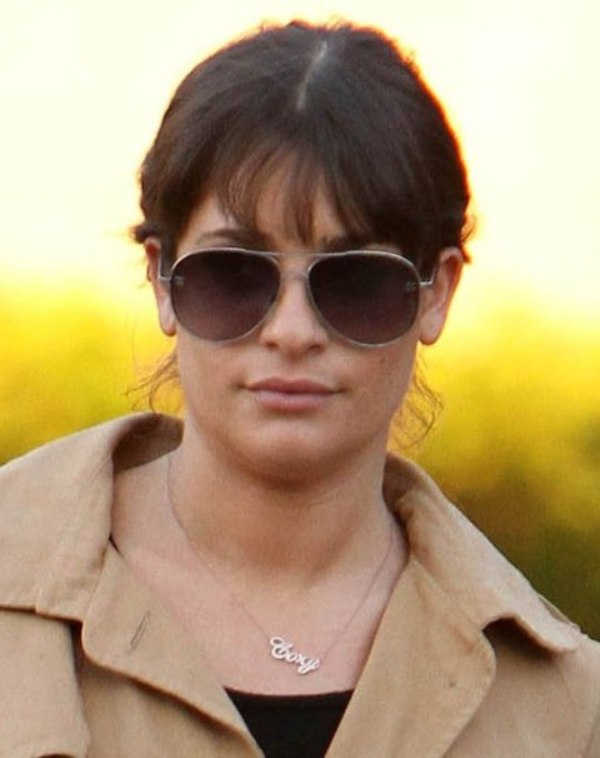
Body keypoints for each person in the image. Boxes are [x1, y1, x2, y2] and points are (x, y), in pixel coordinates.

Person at [1, 19, 599, 758]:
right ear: (161, 278)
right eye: (233, 273)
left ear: (437, 292)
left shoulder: (565, 704)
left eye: (356, 281)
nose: (291, 330)